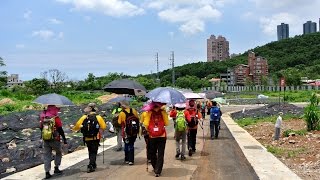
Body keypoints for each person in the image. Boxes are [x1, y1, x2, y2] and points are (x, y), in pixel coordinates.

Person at [73, 103, 106, 173]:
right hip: (95, 137)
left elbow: (77, 126)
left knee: (90, 151)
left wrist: (74, 129)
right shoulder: (98, 117)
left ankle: (93, 164)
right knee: (94, 152)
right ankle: (91, 165)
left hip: (87, 138)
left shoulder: (84, 117)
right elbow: (104, 126)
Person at [40, 105, 67, 179]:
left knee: (47, 156)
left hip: (45, 139)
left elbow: (41, 128)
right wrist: (64, 139)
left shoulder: (43, 117)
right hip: (55, 139)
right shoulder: (56, 118)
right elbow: (60, 130)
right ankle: (56, 168)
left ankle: (47, 172)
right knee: (58, 152)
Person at [143, 101, 168, 177]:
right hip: (162, 136)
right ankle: (158, 171)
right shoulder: (163, 112)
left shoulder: (149, 112)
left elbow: (146, 124)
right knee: (161, 153)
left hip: (152, 136)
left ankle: (155, 167)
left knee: (152, 153)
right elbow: (167, 123)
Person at [118, 100, 139, 165]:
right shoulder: (133, 110)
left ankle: (127, 159)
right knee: (131, 145)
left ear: (122, 106)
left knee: (126, 145)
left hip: (126, 132)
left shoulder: (122, 113)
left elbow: (119, 122)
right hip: (134, 131)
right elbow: (137, 118)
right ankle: (131, 160)